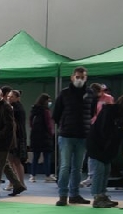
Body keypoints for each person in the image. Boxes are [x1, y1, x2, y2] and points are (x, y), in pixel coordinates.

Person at [52, 66, 95, 206]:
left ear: (86, 78)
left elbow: (92, 112)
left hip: (83, 135)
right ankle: (63, 195)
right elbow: (56, 114)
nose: (80, 79)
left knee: (78, 168)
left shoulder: (90, 93)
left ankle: (74, 194)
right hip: (66, 135)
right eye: (77, 77)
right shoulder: (64, 93)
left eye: (82, 77)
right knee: (65, 166)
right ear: (72, 77)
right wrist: (64, 125)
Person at [88, 93, 123, 208]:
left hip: (107, 148)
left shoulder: (121, 115)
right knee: (99, 171)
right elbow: (105, 130)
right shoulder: (109, 111)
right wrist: (122, 129)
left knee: (106, 171)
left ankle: (102, 195)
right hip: (97, 145)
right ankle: (97, 197)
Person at [0, 87, 24, 197]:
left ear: (1, 95)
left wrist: (0, 136)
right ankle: (18, 185)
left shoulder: (5, 107)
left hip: (3, 142)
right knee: (5, 166)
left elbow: (9, 125)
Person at [29, 93, 56, 183]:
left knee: (35, 157)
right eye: (49, 100)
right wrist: (51, 134)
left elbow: (30, 122)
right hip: (45, 136)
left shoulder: (34, 109)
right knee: (47, 157)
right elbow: (48, 124)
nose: (50, 102)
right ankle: (47, 175)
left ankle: (33, 175)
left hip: (35, 136)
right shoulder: (46, 111)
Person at [7, 89, 28, 192]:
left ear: (17, 98)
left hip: (17, 137)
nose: (9, 98)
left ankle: (18, 183)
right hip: (18, 137)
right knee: (13, 161)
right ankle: (15, 183)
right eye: (8, 96)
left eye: (12, 97)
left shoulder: (15, 109)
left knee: (15, 161)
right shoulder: (17, 107)